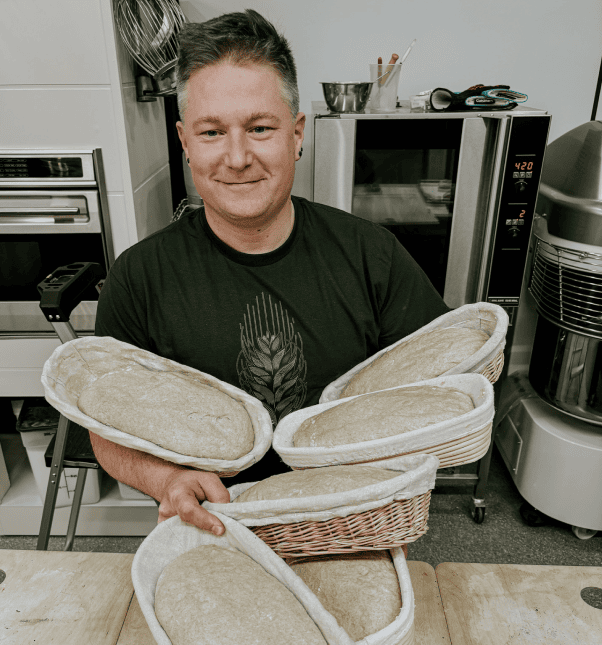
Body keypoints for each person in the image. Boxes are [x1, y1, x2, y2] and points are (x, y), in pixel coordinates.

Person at [90, 9, 449, 536]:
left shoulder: (373, 256)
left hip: (351, 524)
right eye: (212, 131)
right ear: (186, 143)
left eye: (260, 128)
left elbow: (436, 389)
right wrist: (166, 479)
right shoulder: (139, 278)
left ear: (297, 135)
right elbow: (107, 432)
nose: (237, 158)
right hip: (214, 530)